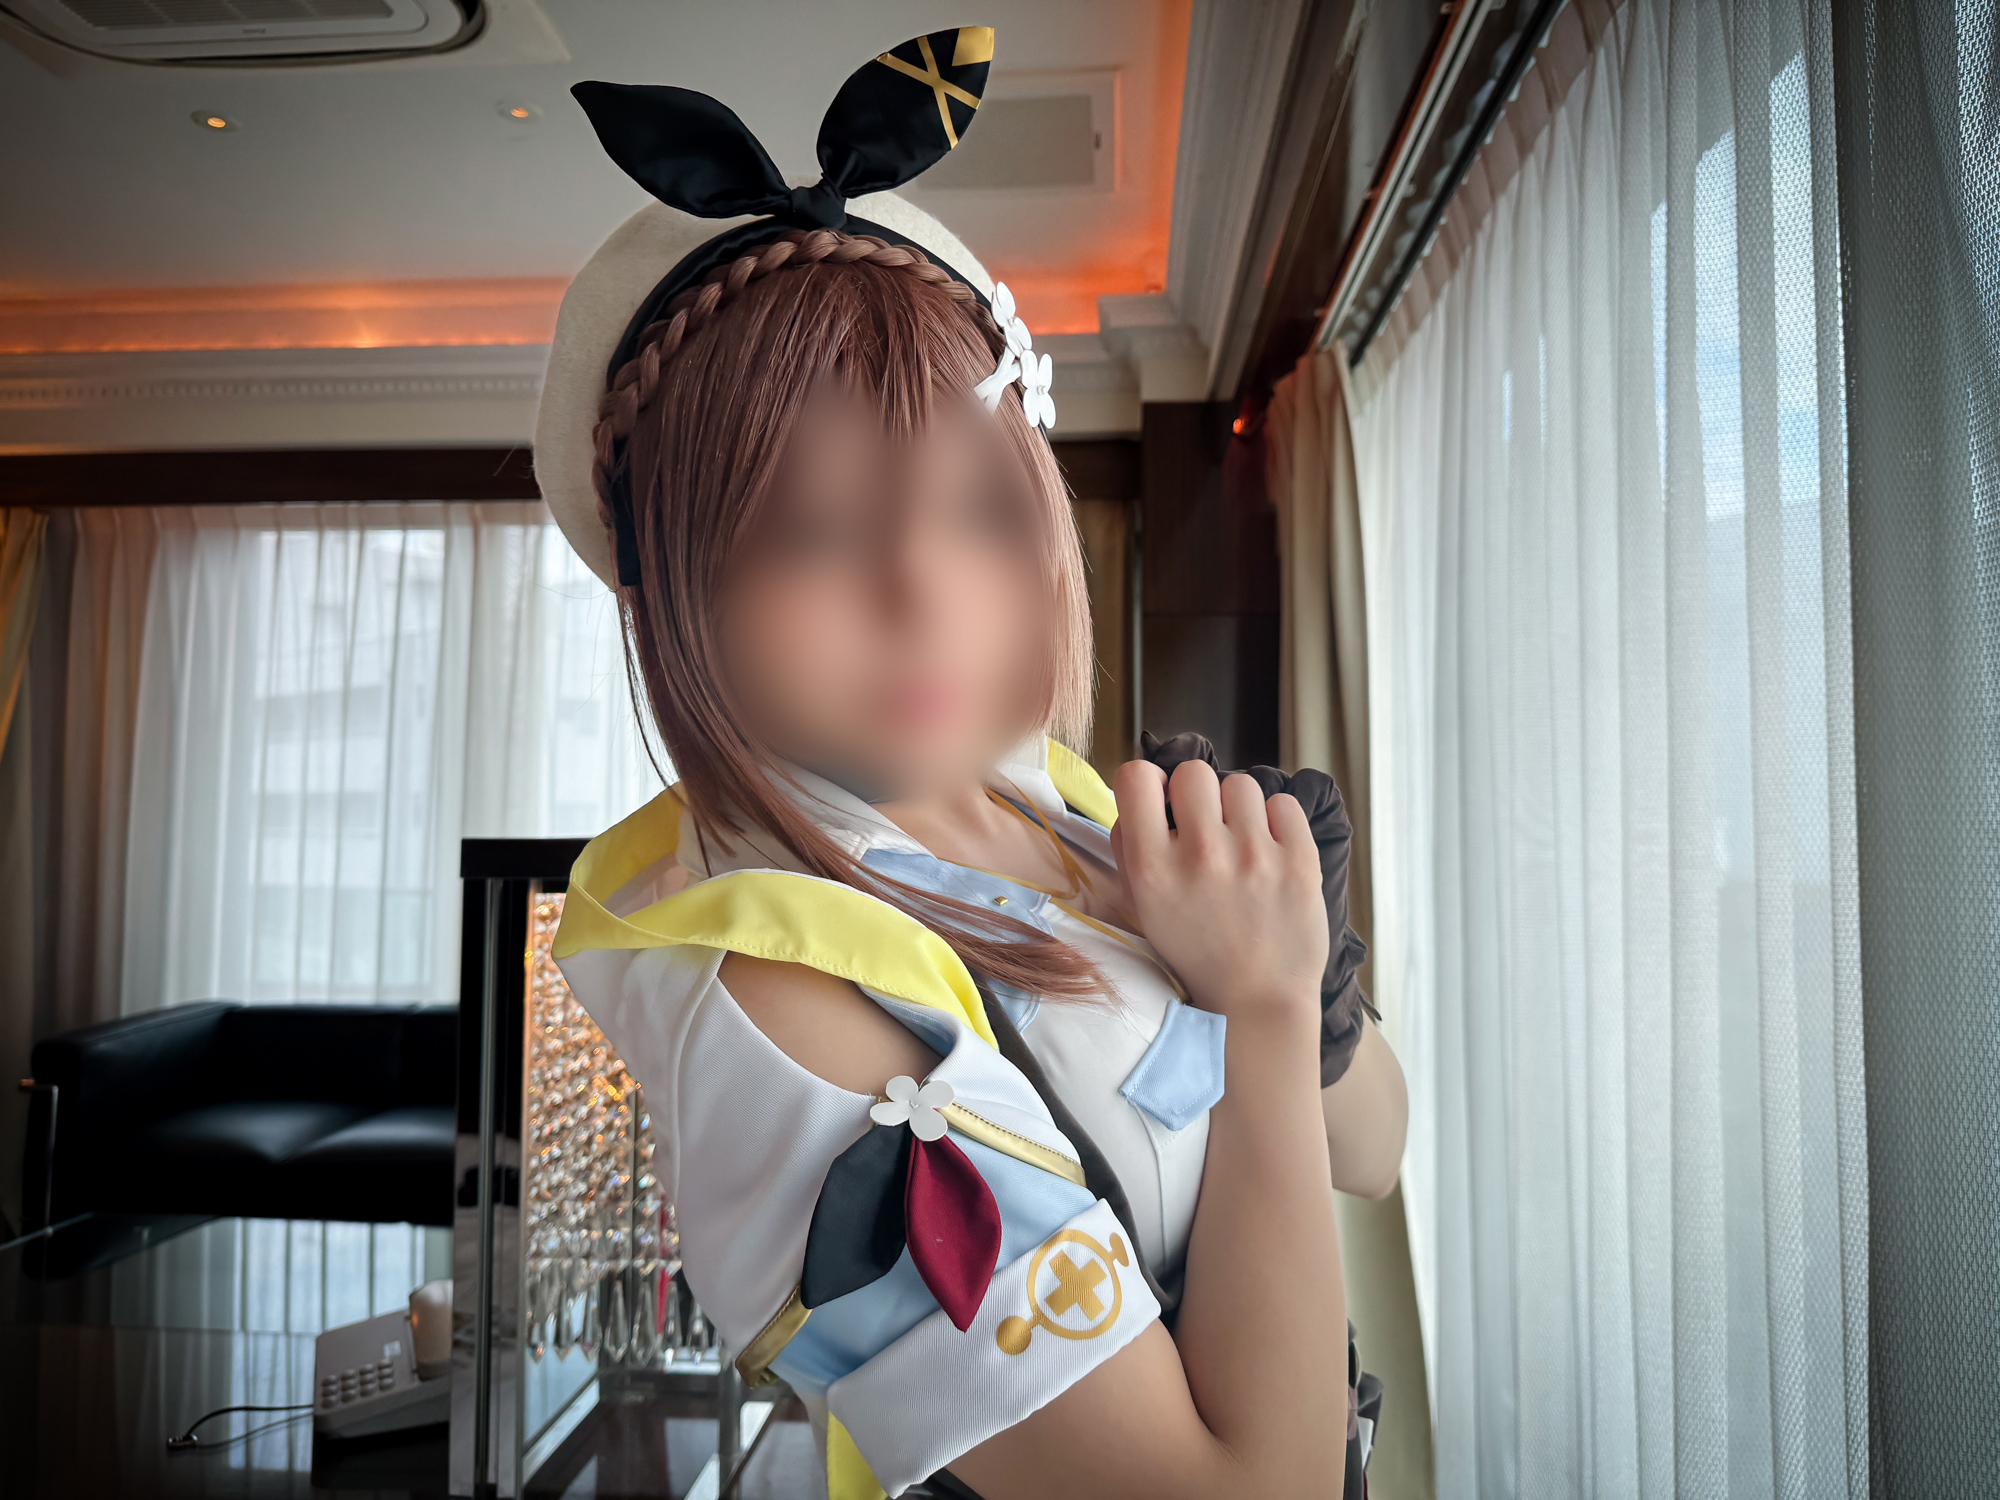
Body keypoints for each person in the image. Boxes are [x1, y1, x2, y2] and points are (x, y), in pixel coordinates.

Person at [537, 29, 1407, 1500]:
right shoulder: (781, 1009)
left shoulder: (1052, 799)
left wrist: (1300, 984)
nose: (921, 586)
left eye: (978, 510)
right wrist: (1259, 1009)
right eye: (814, 530)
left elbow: (1374, 1148)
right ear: (668, 590)